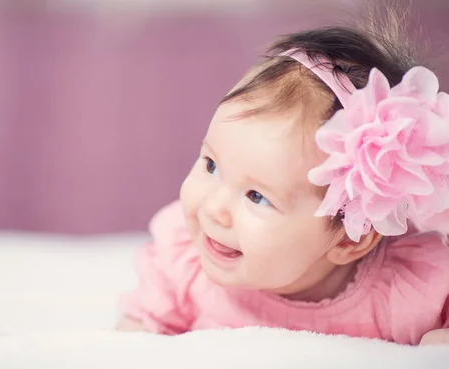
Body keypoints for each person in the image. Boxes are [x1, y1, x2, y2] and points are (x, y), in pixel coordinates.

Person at [116, 9, 449, 346]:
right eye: (211, 165)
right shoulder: (185, 268)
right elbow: (134, 344)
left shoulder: (407, 290)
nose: (214, 208)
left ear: (349, 239)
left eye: (257, 197)